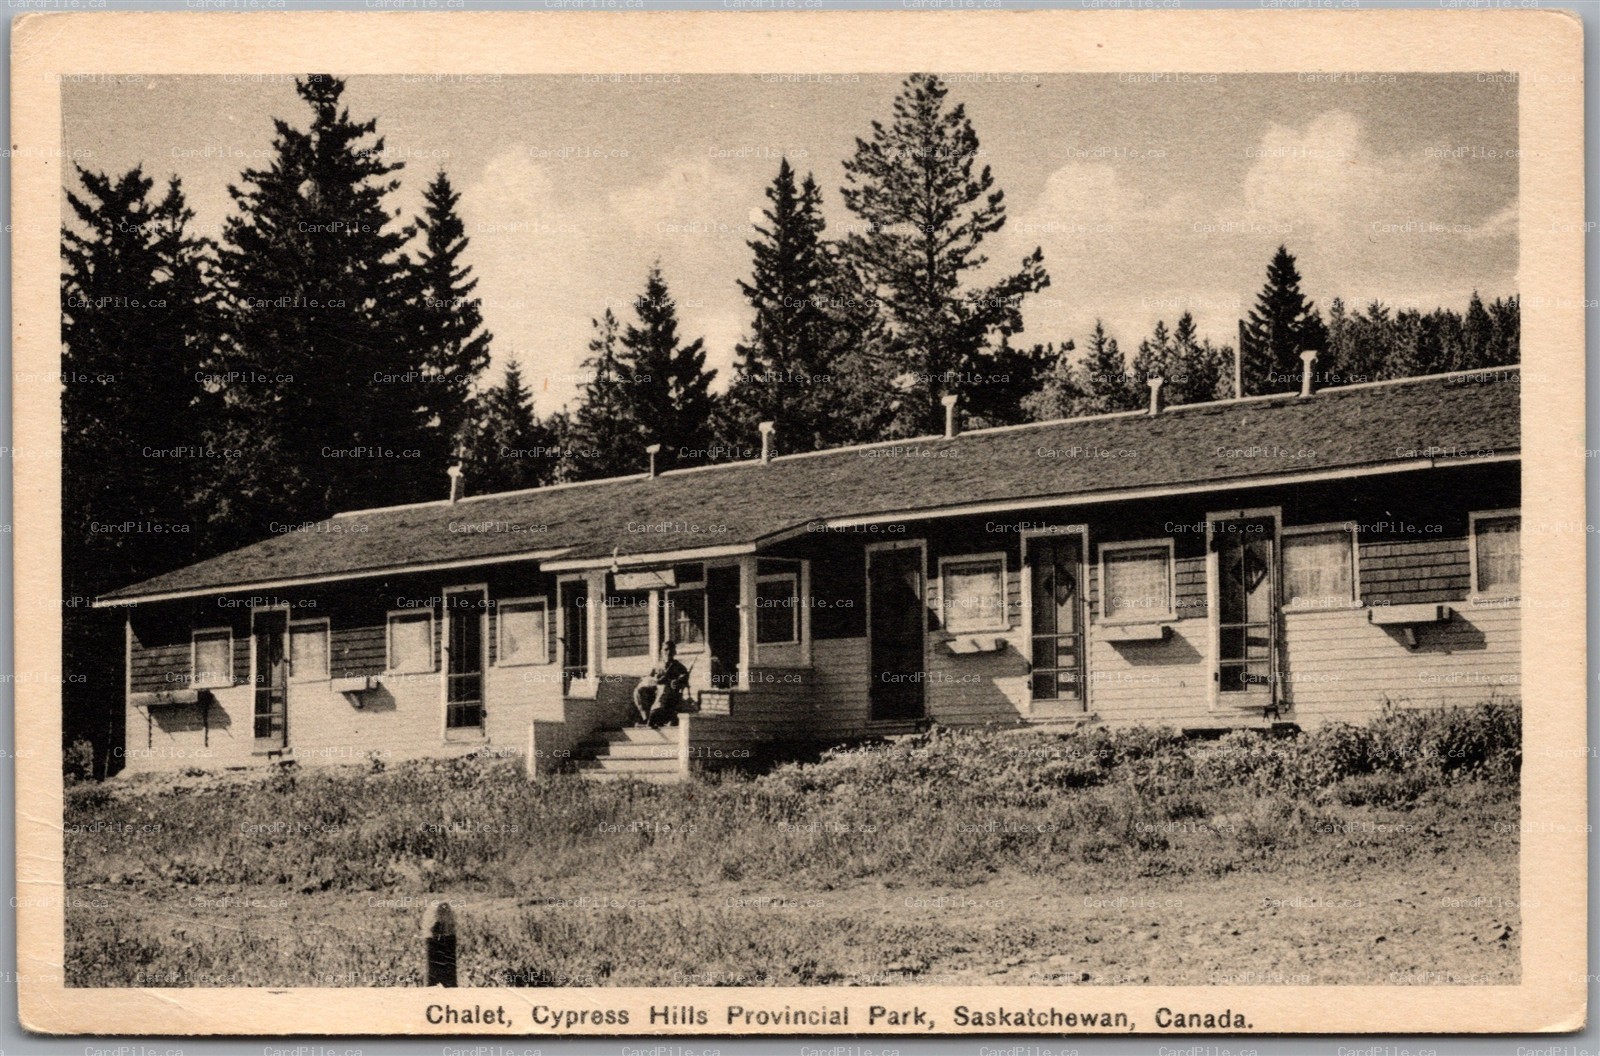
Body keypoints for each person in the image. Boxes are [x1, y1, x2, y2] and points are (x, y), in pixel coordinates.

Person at [633, 641, 690, 727]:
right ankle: (645, 717)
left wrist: (677, 681)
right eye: (666, 650)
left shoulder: (677, 666)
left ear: (675, 652)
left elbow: (685, 677)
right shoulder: (658, 665)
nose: (668, 652)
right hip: (655, 689)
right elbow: (650, 676)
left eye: (671, 650)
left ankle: (652, 719)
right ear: (662, 651)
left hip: (670, 692)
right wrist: (646, 679)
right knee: (638, 690)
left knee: (663, 688)